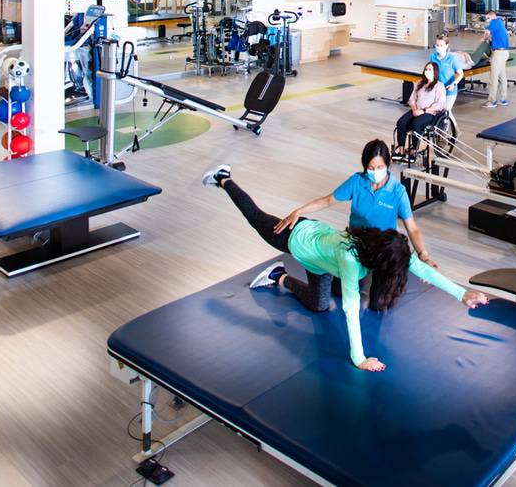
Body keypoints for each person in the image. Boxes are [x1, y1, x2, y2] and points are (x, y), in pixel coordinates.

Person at [201, 164, 489, 372]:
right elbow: (352, 308)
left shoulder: (383, 243)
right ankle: (224, 178)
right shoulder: (352, 260)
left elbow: (419, 267)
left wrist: (461, 294)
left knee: (319, 304)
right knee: (256, 217)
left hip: (320, 258)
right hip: (296, 239)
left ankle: (279, 277)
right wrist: (358, 358)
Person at [273, 139, 437, 269]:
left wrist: (424, 255)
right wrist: (298, 211)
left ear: (389, 165)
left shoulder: (397, 191)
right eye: (370, 168)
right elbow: (328, 200)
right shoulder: (357, 181)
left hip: (383, 249)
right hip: (356, 244)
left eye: (380, 167)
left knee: (378, 301)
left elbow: (412, 228)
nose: (375, 172)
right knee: (339, 290)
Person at [393, 62, 447, 160]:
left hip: (430, 113)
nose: (427, 71)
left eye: (430, 69)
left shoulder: (439, 86)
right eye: (426, 69)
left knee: (416, 124)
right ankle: (401, 149)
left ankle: (414, 150)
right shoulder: (420, 83)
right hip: (416, 110)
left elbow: (440, 104)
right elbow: (412, 99)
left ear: (435, 72)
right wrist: (414, 109)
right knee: (401, 122)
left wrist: (423, 111)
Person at [482, 10, 510, 109]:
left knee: (493, 77)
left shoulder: (494, 22)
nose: (487, 20)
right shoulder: (500, 22)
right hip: (504, 52)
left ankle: (491, 101)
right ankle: (503, 99)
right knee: (502, 76)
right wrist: (489, 39)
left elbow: (487, 32)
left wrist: (484, 38)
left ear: (491, 16)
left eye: (487, 18)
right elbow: (495, 37)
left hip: (498, 54)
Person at [429, 34, 464, 112]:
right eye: (437, 45)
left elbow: (461, 74)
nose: (438, 47)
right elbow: (430, 71)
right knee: (437, 111)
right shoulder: (433, 57)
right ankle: (452, 124)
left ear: (446, 46)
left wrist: (453, 84)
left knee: (446, 111)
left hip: (449, 89)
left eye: (441, 45)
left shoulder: (452, 58)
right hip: (437, 89)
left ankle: (452, 124)